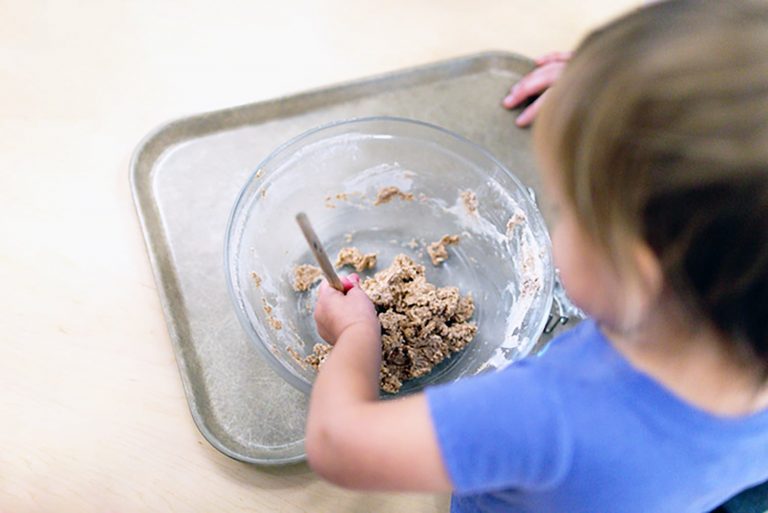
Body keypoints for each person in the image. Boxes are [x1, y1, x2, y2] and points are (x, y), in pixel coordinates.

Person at [305, 1, 768, 511]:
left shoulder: (543, 415)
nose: (555, 221)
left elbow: (337, 443)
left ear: (636, 274)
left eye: (564, 208)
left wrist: (355, 335)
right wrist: (611, 104)